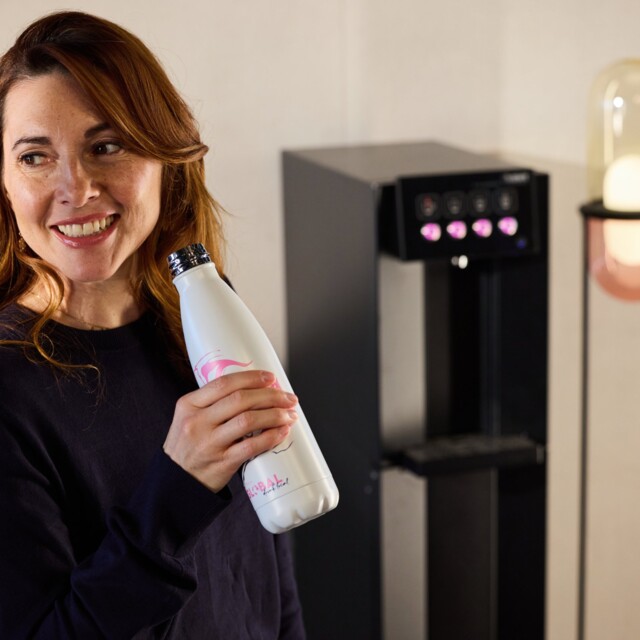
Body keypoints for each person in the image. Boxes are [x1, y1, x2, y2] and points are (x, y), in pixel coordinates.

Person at [0, 11, 306, 639]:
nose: (75, 188)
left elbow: (268, 568)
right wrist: (179, 488)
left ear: (165, 157)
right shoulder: (9, 389)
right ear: (4, 182)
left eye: (106, 146)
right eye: (35, 157)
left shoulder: (203, 317)